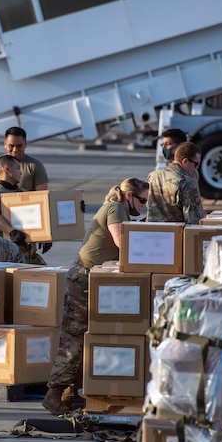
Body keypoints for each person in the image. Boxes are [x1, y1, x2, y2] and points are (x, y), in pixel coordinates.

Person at [42, 178, 150, 415]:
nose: (143, 205)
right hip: (83, 277)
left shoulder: (119, 209)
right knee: (74, 338)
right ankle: (54, 394)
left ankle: (71, 393)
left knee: (87, 335)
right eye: (142, 200)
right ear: (129, 195)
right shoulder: (116, 208)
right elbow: (122, 241)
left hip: (93, 277)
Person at [0, 126, 49, 231]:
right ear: (5, 144)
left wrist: (46, 230)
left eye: (19, 146)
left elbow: (43, 200)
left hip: (27, 226)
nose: (15, 150)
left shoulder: (35, 166)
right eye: (11, 146)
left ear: (26, 144)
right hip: (1, 229)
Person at [0, 154, 45, 265]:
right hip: (9, 255)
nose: (21, 172)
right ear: (7, 169)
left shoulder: (22, 193)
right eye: (18, 168)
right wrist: (12, 232)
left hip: (27, 252)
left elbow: (42, 209)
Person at [145, 142, 205, 224]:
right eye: (196, 164)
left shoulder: (153, 176)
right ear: (185, 161)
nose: (196, 168)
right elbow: (194, 220)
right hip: (176, 233)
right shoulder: (186, 183)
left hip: (151, 231)